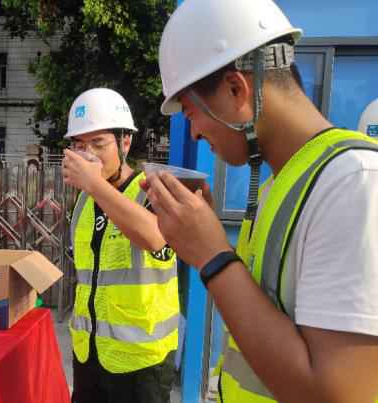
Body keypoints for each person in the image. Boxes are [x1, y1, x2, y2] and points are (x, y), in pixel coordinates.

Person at [143, 1, 378, 402]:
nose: (194, 133)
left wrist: (211, 254)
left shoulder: (354, 185)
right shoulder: (281, 185)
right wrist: (206, 237)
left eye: (190, 113)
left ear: (237, 90)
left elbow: (341, 393)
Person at [62, 88, 179, 403]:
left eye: (98, 143)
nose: (88, 155)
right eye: (79, 145)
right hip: (89, 354)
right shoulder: (85, 201)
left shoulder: (151, 190)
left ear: (125, 142)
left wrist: (95, 185)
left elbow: (156, 238)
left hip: (141, 362)